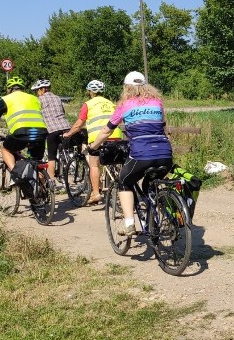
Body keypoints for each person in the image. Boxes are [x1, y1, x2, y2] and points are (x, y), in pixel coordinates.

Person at [89, 71, 173, 237]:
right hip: (165, 152)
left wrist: (93, 146)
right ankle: (163, 216)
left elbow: (107, 131)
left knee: (124, 181)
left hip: (142, 153)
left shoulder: (124, 104)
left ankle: (129, 224)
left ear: (127, 88)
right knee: (150, 184)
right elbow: (163, 128)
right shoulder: (157, 101)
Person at [62, 80, 123, 206]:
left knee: (94, 165)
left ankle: (96, 193)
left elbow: (79, 124)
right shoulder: (111, 103)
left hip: (97, 138)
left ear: (90, 92)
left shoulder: (88, 104)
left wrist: (68, 134)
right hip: (115, 136)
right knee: (116, 162)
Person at [0, 76, 48, 174]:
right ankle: (42, 187)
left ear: (9, 89)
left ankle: (17, 174)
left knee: (5, 149)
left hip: (20, 133)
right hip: (41, 133)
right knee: (37, 163)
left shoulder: (5, 99)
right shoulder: (35, 98)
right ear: (22, 89)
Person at [30, 79, 71, 186]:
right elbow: (63, 112)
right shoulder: (57, 98)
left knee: (51, 157)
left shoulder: (39, 100)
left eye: (37, 91)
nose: (37, 93)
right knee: (65, 149)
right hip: (66, 127)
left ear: (42, 89)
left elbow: (36, 114)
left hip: (51, 130)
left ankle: (51, 181)